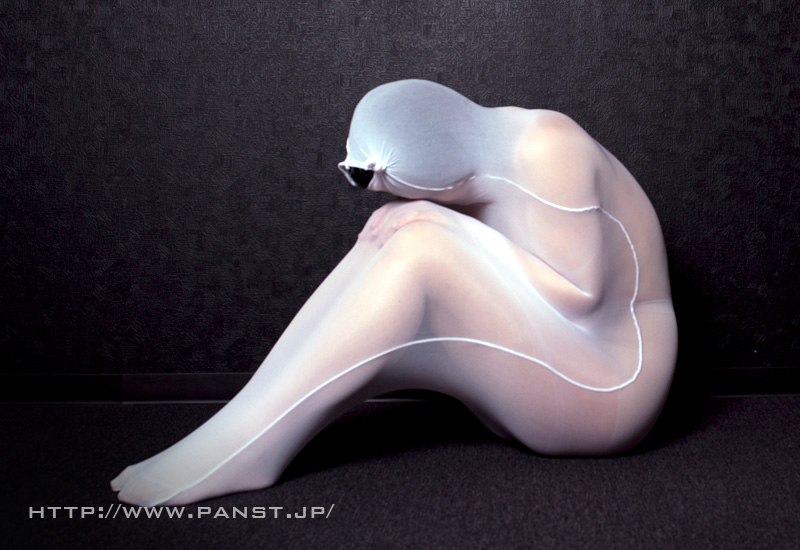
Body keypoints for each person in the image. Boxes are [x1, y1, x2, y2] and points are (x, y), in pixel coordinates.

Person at [111, 79, 677, 507]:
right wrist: (422, 216)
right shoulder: (488, 154)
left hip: (613, 382)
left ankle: (248, 447)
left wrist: (446, 224)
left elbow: (580, 299)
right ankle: (243, 423)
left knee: (423, 243)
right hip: (546, 370)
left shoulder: (548, 150)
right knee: (394, 230)